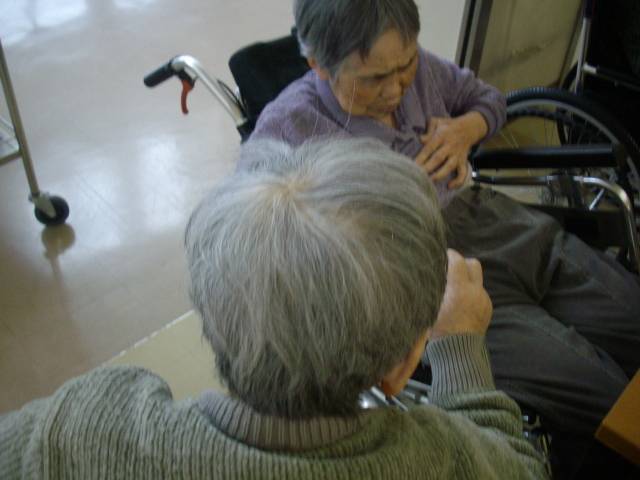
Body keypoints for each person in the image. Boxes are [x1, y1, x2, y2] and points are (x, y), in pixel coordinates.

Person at [0, 138, 547, 479]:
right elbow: (522, 468)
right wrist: (459, 346)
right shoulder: (440, 459)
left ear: (213, 318)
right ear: (402, 368)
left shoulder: (80, 432)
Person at [248, 0, 640, 476]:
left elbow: (488, 99)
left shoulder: (423, 72)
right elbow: (257, 237)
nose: (396, 89)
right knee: (610, 400)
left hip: (499, 225)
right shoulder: (288, 128)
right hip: (427, 275)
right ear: (318, 65)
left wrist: (466, 128)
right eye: (374, 78)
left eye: (406, 65)